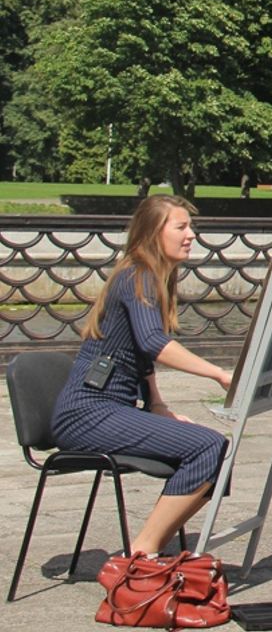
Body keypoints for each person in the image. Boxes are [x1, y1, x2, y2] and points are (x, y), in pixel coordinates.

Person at [52, 195, 231, 557]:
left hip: (109, 410)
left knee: (213, 448)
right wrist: (219, 375)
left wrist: (157, 405)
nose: (191, 235)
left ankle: (148, 551)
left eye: (190, 227)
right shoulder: (138, 274)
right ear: (153, 232)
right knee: (208, 446)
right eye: (181, 227)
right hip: (86, 413)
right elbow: (153, 343)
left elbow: (141, 358)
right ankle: (141, 556)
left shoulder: (151, 276)